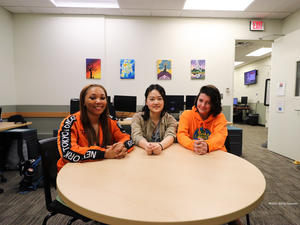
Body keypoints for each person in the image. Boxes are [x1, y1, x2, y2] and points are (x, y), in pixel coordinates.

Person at [57, 84, 134, 172]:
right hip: (73, 171)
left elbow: (127, 138)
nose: (98, 101)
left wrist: (121, 146)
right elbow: (68, 153)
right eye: (93, 98)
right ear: (83, 102)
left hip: (101, 169)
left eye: (102, 98)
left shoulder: (110, 120)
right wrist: (104, 154)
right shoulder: (70, 122)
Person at [177, 85, 228, 154]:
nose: (203, 105)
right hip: (193, 153)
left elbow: (220, 137)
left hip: (215, 153)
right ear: (197, 99)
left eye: (208, 103)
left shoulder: (220, 117)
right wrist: (193, 145)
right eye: (200, 100)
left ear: (214, 105)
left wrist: (207, 145)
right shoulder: (186, 115)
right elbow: (181, 135)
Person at [131, 84, 177, 155]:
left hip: (163, 155)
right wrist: (146, 145)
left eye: (159, 99)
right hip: (143, 155)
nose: (156, 102)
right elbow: (136, 135)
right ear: (146, 101)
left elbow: (170, 135)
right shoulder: (137, 118)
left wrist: (160, 146)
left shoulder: (170, 119)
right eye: (152, 99)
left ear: (164, 101)